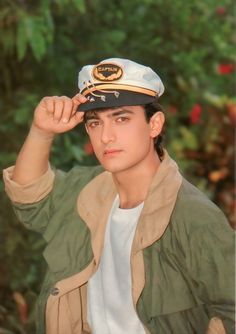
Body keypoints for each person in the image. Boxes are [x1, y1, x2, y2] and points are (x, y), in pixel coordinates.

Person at [3, 58, 235, 334]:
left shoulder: (193, 217)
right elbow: (30, 199)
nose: (106, 137)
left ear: (154, 124)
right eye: (94, 123)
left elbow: (231, 311)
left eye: (121, 119)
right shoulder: (85, 194)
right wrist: (42, 132)